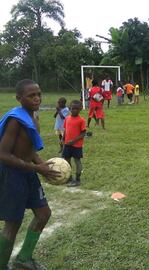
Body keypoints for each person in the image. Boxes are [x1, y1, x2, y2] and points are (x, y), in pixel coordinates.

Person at [0, 79, 60, 270]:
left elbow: (29, 148)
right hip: (12, 175)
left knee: (43, 214)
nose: (37, 98)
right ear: (19, 98)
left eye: (39, 94)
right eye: (31, 95)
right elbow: (3, 154)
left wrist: (43, 166)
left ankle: (23, 259)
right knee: (13, 224)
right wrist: (37, 169)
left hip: (28, 173)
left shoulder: (34, 116)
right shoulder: (15, 121)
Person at [62, 100, 86, 187]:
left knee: (77, 161)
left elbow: (83, 133)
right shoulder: (67, 118)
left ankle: (78, 179)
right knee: (66, 161)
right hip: (67, 144)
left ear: (80, 109)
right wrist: (63, 139)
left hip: (77, 146)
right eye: (73, 108)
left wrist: (74, 140)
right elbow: (66, 130)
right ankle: (69, 177)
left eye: (77, 109)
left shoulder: (81, 120)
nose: (74, 110)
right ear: (69, 108)